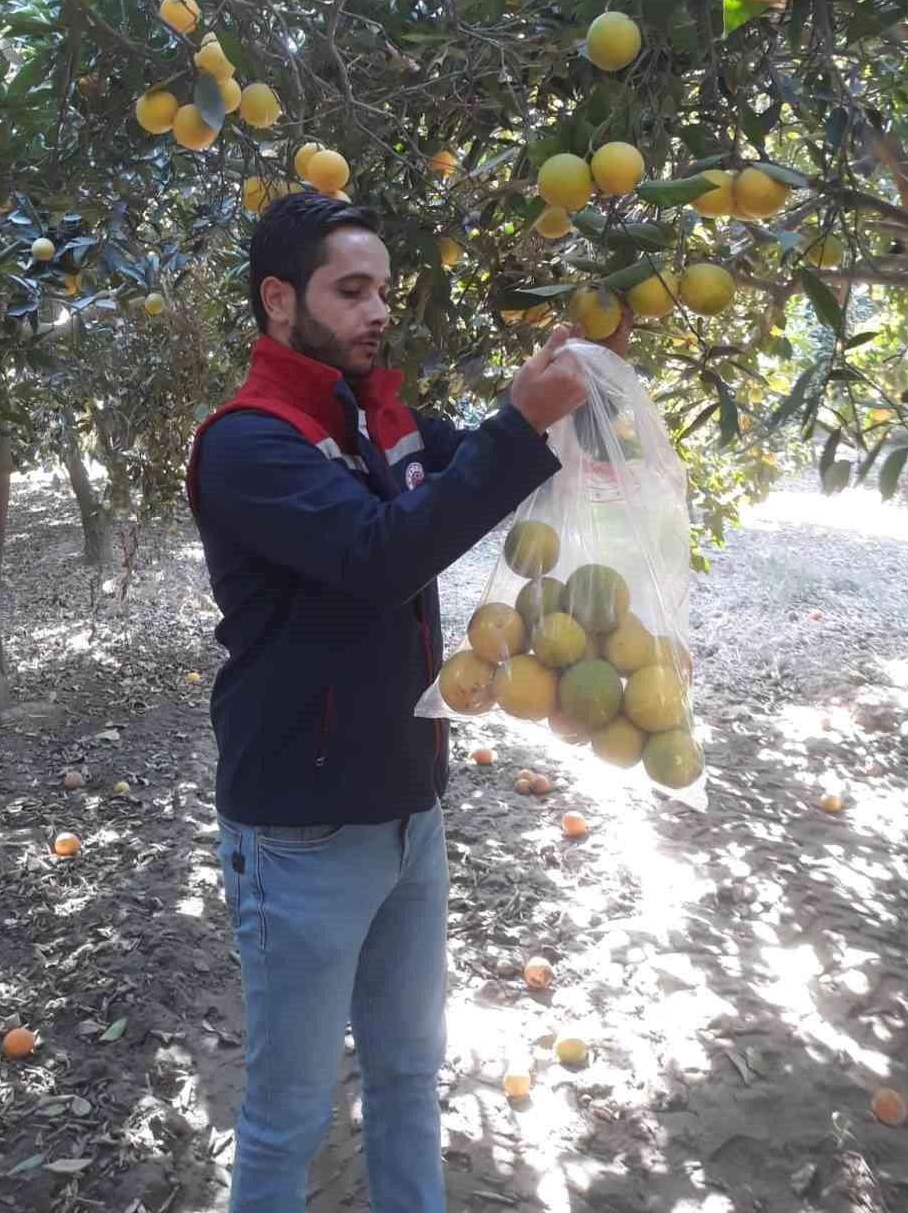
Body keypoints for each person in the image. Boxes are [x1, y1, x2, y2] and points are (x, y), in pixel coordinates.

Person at [185, 191, 614, 1213]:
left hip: (411, 815)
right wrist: (518, 424)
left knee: (411, 1079)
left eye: (382, 287)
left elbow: (479, 472)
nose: (379, 309)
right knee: (287, 1115)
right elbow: (380, 555)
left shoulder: (382, 419)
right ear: (279, 300)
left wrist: (586, 386)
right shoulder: (249, 443)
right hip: (301, 831)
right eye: (352, 289)